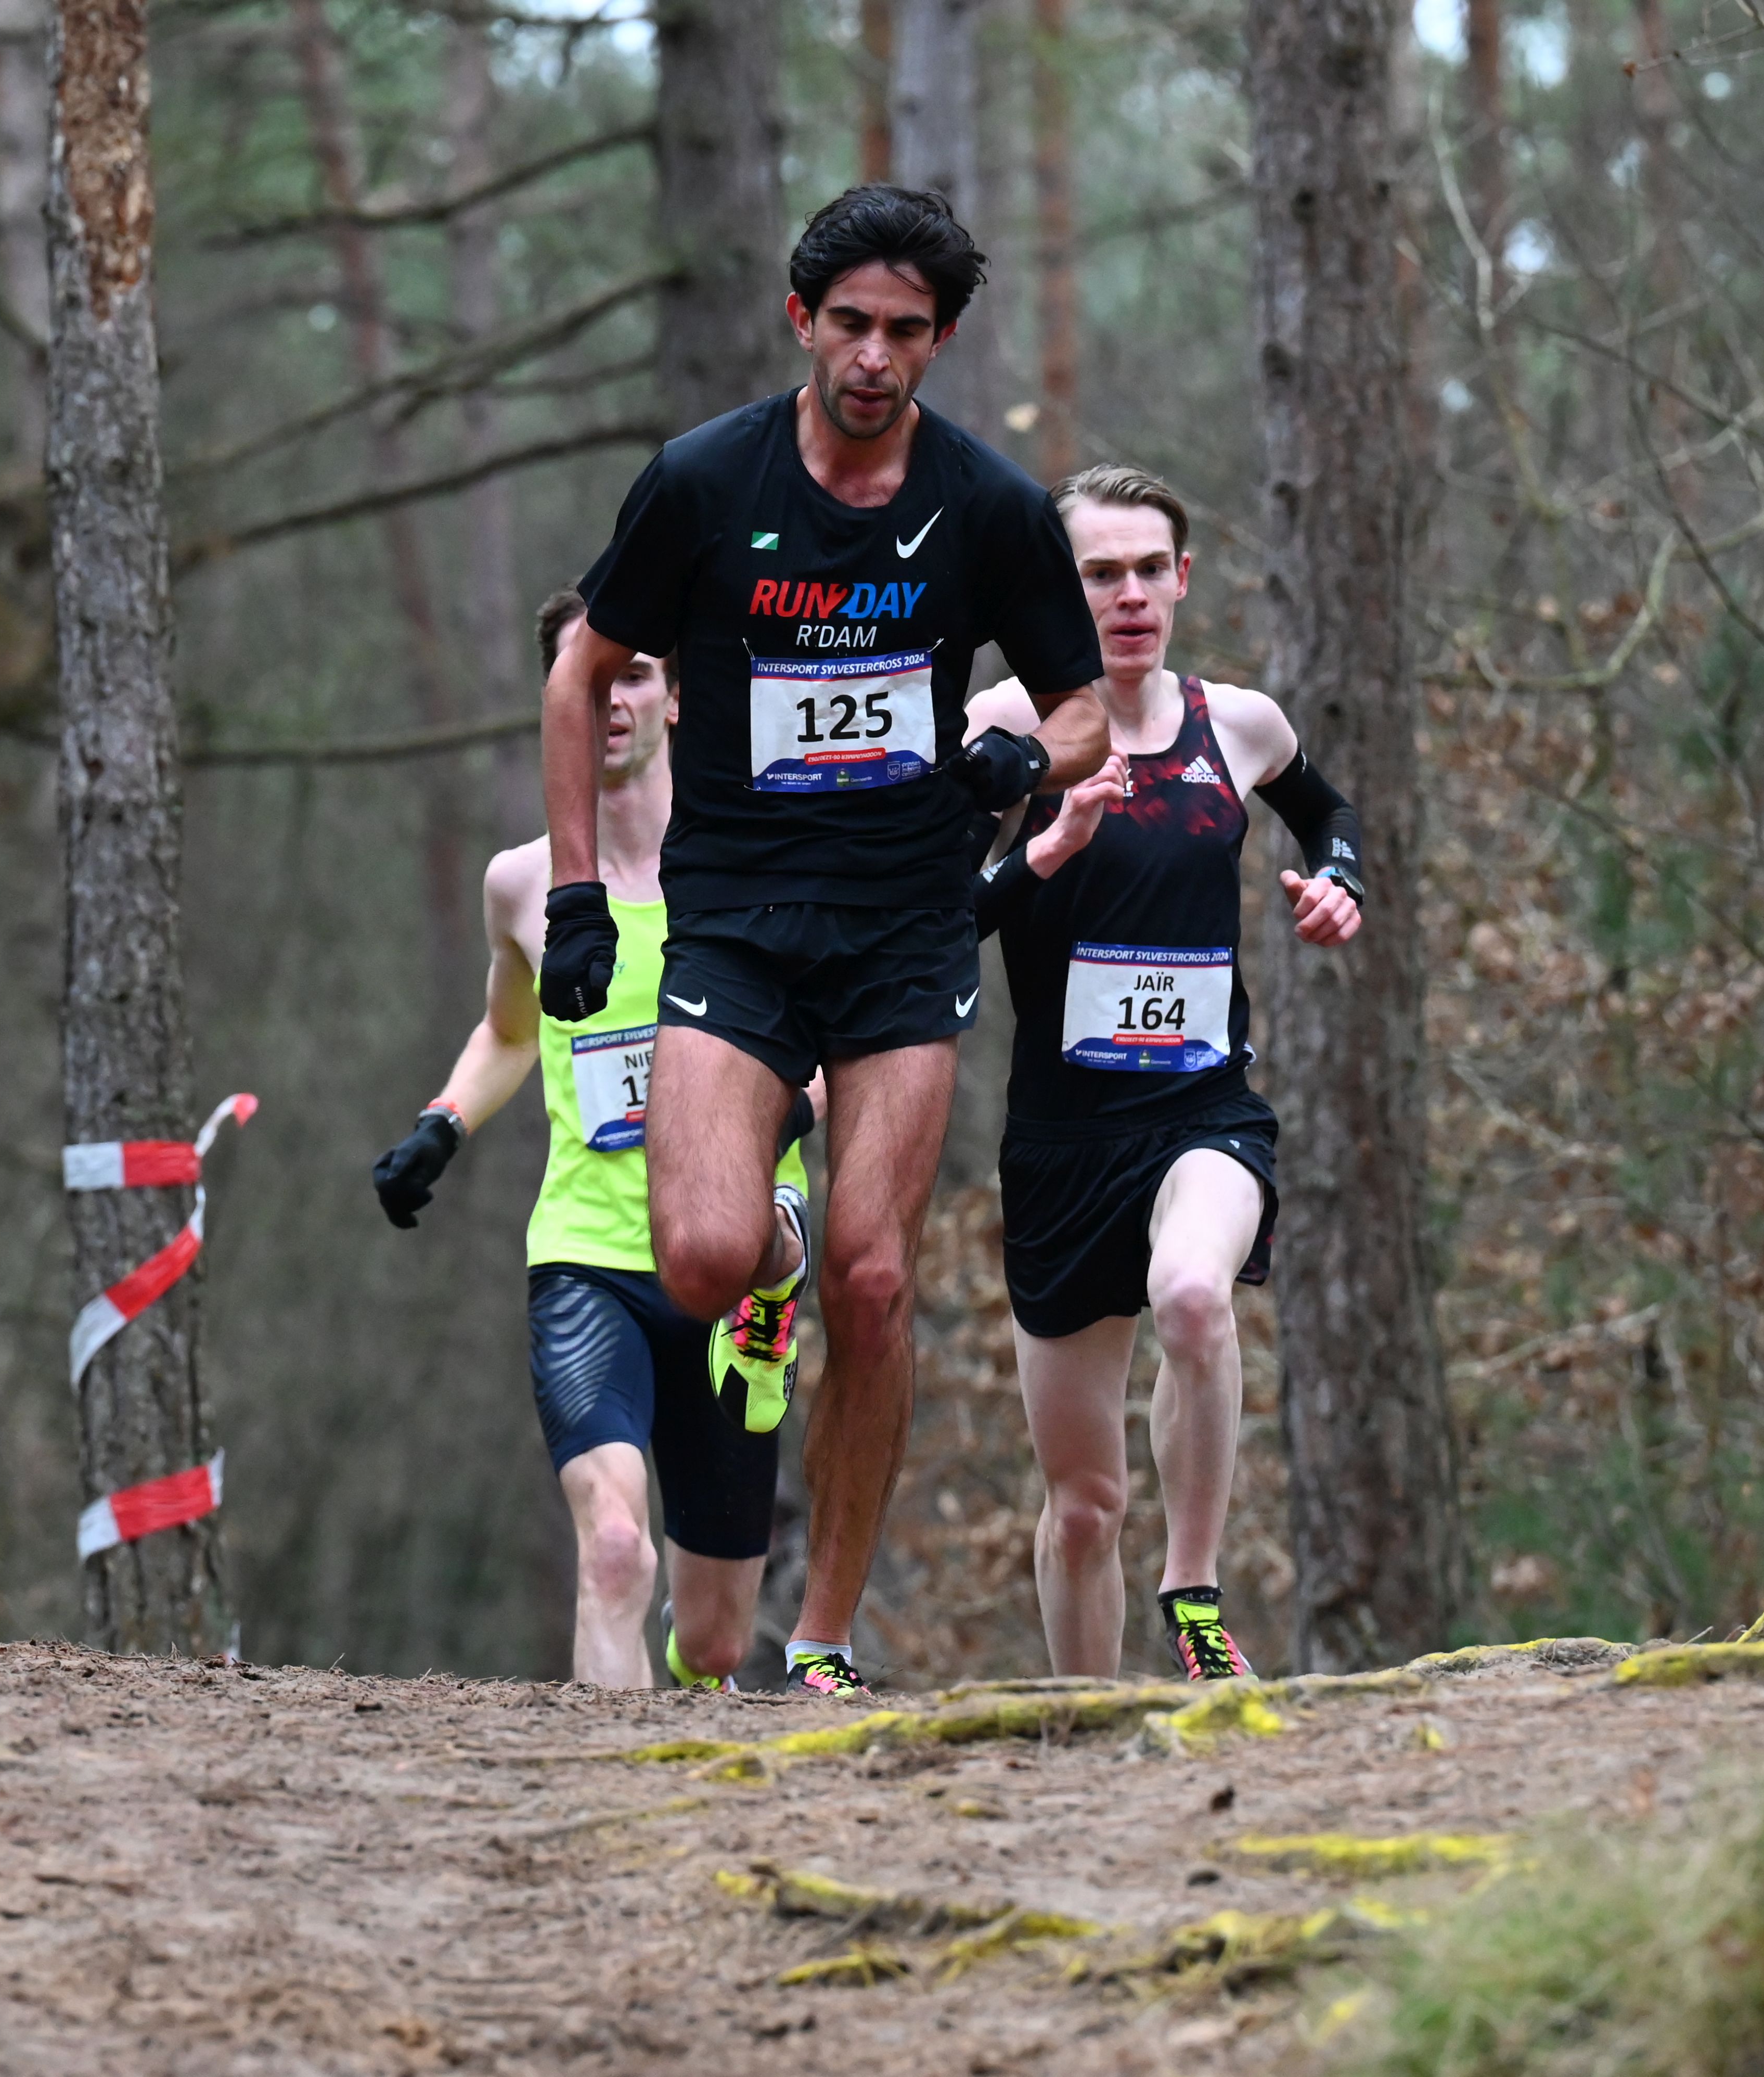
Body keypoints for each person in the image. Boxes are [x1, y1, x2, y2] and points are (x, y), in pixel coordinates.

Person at [536, 186, 1109, 1699]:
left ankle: (825, 1642)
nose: (873, 356)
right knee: (700, 1260)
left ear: (941, 340)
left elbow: (1086, 711)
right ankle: (769, 1249)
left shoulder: (987, 506)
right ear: (802, 321)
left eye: (905, 331)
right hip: (736, 915)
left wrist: (1023, 759)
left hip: (905, 926)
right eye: (849, 324)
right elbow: (583, 667)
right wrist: (581, 894)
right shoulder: (704, 480)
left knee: (875, 1281)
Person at [962, 465, 1365, 1681]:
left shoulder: (1238, 725)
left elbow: (1330, 815)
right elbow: (936, 920)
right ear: (1058, 588)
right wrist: (1044, 850)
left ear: (1183, 580)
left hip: (1204, 1115)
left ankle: (1193, 1594)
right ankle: (1086, 1727)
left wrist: (1338, 885)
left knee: (1194, 1294)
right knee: (1085, 1509)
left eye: (1150, 570)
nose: (1130, 596)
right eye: (1100, 574)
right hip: (1060, 1148)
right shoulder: (1003, 731)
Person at [371, 591, 813, 1691]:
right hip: (587, 1259)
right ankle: (611, 1782)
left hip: (735, 1251)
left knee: (714, 1641)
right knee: (613, 1547)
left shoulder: (756, 866)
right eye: (590, 677)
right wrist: (442, 1125)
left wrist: (770, 1114)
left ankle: (768, 1295)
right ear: (556, 698)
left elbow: (837, 1041)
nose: (612, 700)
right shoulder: (523, 886)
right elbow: (508, 1032)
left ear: (676, 696)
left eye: (636, 675)